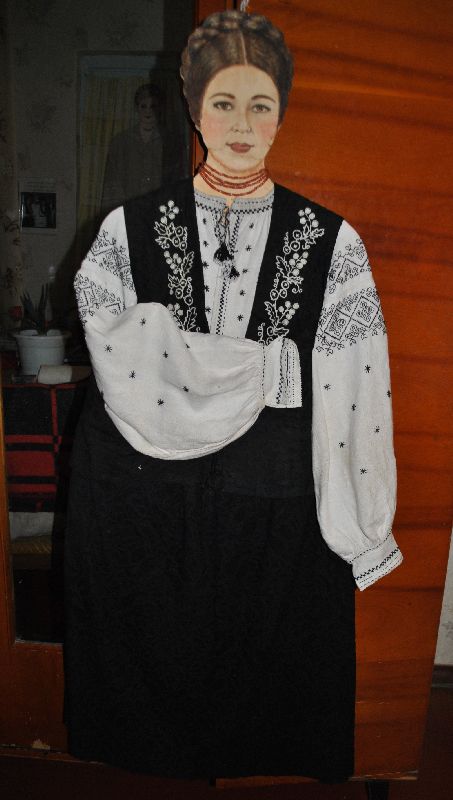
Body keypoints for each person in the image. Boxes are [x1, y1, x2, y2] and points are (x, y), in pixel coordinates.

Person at [65, 10, 402, 782]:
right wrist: (260, 369)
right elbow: (111, 345)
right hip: (147, 490)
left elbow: (358, 385)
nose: (242, 125)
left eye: (260, 105)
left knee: (263, 655)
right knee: (158, 652)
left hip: (272, 493)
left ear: (282, 112)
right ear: (193, 108)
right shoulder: (125, 232)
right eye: (223, 103)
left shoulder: (332, 242)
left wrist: (357, 524)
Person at [101, 83, 187, 212]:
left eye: (153, 106)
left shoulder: (171, 142)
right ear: (137, 108)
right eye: (143, 106)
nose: (148, 111)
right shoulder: (121, 142)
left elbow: (178, 181)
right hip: (129, 211)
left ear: (160, 109)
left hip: (161, 212)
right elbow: (112, 184)